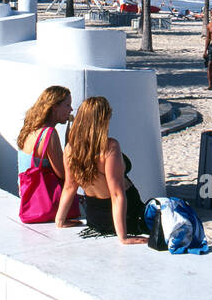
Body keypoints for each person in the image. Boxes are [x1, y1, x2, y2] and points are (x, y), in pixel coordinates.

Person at [55, 97, 147, 243]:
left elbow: (69, 186)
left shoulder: (70, 149)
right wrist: (123, 237)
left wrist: (60, 220)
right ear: (102, 120)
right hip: (128, 217)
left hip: (95, 219)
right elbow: (116, 194)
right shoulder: (109, 147)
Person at [16, 85, 75, 224]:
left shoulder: (31, 129)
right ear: (54, 107)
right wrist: (70, 145)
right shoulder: (49, 134)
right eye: (67, 105)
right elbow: (63, 174)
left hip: (27, 194)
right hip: (41, 200)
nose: (71, 110)